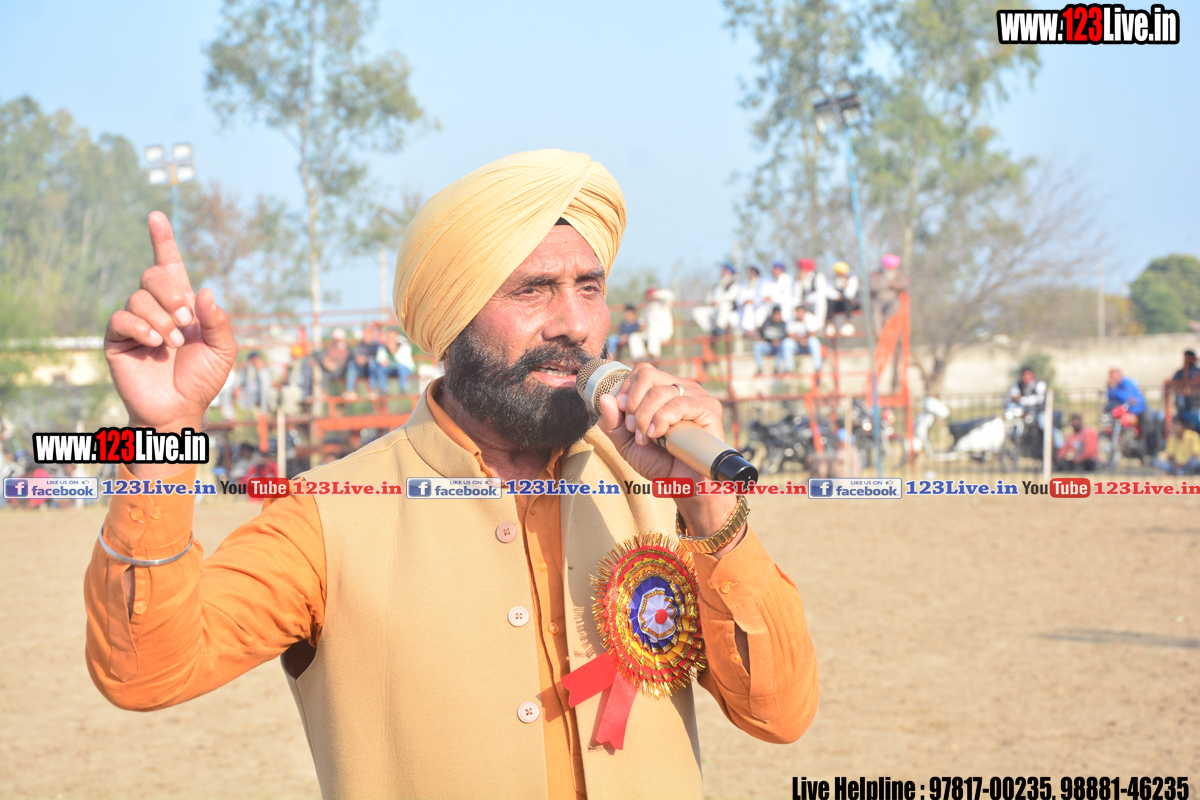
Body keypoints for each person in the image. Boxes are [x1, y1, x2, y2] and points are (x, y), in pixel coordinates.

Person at [86, 150, 817, 800]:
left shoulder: (660, 491)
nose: (574, 323)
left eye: (589, 287)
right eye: (533, 290)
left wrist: (709, 511)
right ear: (450, 322)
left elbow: (779, 714)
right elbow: (146, 671)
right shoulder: (327, 516)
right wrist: (161, 436)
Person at [789, 258, 826, 373]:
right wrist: (798, 282)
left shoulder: (818, 277)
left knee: (820, 300)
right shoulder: (799, 280)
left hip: (814, 309)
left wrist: (808, 300)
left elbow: (821, 293)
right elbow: (796, 297)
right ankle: (789, 369)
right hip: (804, 311)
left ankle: (821, 326)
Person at [691, 262, 740, 336]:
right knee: (697, 312)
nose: (722, 273)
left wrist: (718, 301)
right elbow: (708, 298)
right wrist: (711, 302)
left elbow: (731, 297)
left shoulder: (734, 285)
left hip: (727, 312)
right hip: (714, 309)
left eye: (725, 271)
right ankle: (712, 330)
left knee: (725, 305)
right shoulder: (717, 285)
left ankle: (720, 328)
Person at [628, 287, 674, 360]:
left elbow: (670, 295)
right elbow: (641, 319)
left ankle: (654, 355)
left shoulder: (663, 304)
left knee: (653, 330)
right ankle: (641, 357)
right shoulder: (648, 308)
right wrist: (642, 323)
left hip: (663, 334)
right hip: (650, 335)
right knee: (634, 336)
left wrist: (655, 294)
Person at [868, 253, 909, 334]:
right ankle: (877, 329)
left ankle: (885, 322)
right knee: (875, 310)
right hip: (878, 298)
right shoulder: (876, 274)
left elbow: (905, 284)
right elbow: (872, 286)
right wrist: (889, 285)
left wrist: (900, 285)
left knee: (896, 305)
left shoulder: (898, 274)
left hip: (892, 298)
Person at [752, 305, 799, 375]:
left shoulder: (783, 324)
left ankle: (777, 367)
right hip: (769, 346)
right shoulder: (767, 323)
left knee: (783, 345)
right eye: (776, 314)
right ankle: (759, 368)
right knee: (757, 346)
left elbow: (786, 337)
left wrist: (778, 341)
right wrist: (770, 341)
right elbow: (762, 335)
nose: (777, 316)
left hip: (779, 347)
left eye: (779, 314)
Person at [344, 325, 384, 399]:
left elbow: (379, 358)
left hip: (372, 369)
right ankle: (350, 390)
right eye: (365, 334)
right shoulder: (360, 344)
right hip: (361, 368)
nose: (366, 336)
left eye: (368, 334)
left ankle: (372, 390)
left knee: (372, 364)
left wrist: (366, 359)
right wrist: (358, 358)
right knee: (352, 364)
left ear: (372, 335)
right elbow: (356, 354)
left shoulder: (377, 345)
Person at [377, 327, 416, 393]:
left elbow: (403, 361)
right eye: (389, 337)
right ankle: (384, 389)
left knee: (400, 367)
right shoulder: (384, 346)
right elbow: (380, 358)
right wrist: (383, 361)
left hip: (406, 368)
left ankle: (403, 389)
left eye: (392, 337)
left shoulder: (404, 344)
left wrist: (394, 350)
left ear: (396, 336)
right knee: (380, 369)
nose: (390, 340)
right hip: (392, 368)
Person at [825, 261, 859, 336]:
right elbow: (829, 293)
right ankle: (830, 324)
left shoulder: (852, 278)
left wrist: (845, 284)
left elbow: (849, 294)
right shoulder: (832, 279)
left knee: (847, 300)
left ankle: (848, 323)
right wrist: (839, 296)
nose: (839, 275)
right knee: (829, 301)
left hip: (850, 305)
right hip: (836, 304)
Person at [1171, 349, 1200, 431]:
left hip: (1196, 408)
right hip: (1182, 409)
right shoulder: (1179, 373)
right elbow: (1172, 385)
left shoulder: (1197, 372)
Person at [318, 328, 351, 395]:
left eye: (337, 339)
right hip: (330, 369)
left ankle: (324, 392)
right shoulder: (331, 348)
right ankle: (323, 392)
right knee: (317, 354)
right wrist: (328, 363)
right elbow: (325, 357)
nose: (335, 341)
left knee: (326, 371)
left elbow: (343, 362)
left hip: (341, 371)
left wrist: (333, 365)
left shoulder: (346, 349)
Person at [736, 265, 764, 335]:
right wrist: (744, 302)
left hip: (758, 308)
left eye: (752, 273)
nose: (750, 275)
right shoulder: (743, 285)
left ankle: (752, 332)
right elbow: (738, 301)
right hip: (743, 310)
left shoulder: (761, 284)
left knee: (752, 308)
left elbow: (762, 298)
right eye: (749, 273)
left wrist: (753, 301)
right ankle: (747, 332)